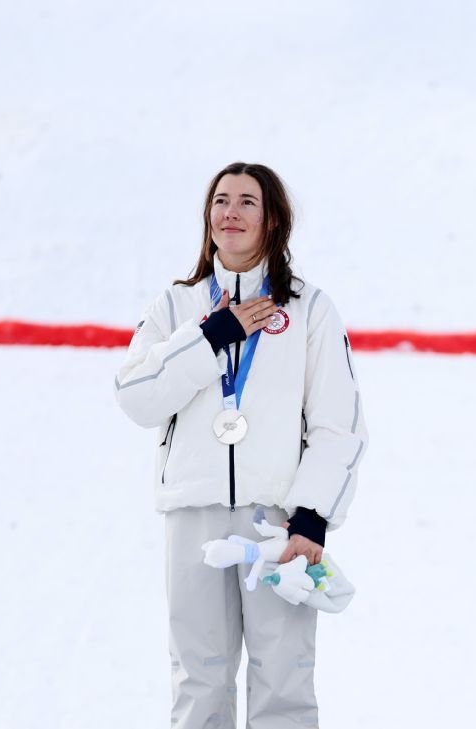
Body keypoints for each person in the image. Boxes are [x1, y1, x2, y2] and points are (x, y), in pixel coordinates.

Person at [114, 162, 367, 729]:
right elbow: (135, 396)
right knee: (198, 674)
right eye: (220, 200)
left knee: (285, 677)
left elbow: (338, 425)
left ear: (273, 220)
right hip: (193, 512)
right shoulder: (176, 307)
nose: (230, 212)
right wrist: (213, 335)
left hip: (275, 522)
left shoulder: (309, 309)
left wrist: (311, 519)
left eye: (247, 202)